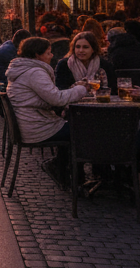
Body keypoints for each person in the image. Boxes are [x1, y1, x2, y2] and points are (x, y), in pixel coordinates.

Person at [6, 37, 88, 186]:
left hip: (30, 124)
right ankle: (74, 176)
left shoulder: (23, 69)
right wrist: (81, 89)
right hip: (38, 127)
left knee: (75, 128)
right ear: (38, 55)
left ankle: (63, 169)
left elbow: (46, 97)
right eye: (48, 53)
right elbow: (57, 99)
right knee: (83, 131)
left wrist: (71, 90)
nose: (52, 55)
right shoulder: (35, 72)